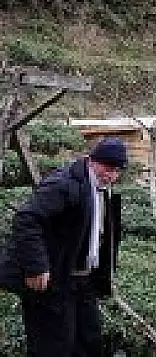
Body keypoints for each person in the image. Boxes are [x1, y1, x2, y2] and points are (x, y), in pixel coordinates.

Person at [0, 138, 127, 357]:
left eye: (117, 170)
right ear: (92, 160)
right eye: (107, 168)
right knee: (53, 346)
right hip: (53, 279)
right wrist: (36, 267)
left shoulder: (102, 189)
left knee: (88, 341)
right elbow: (27, 219)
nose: (111, 175)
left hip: (82, 280)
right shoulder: (63, 184)